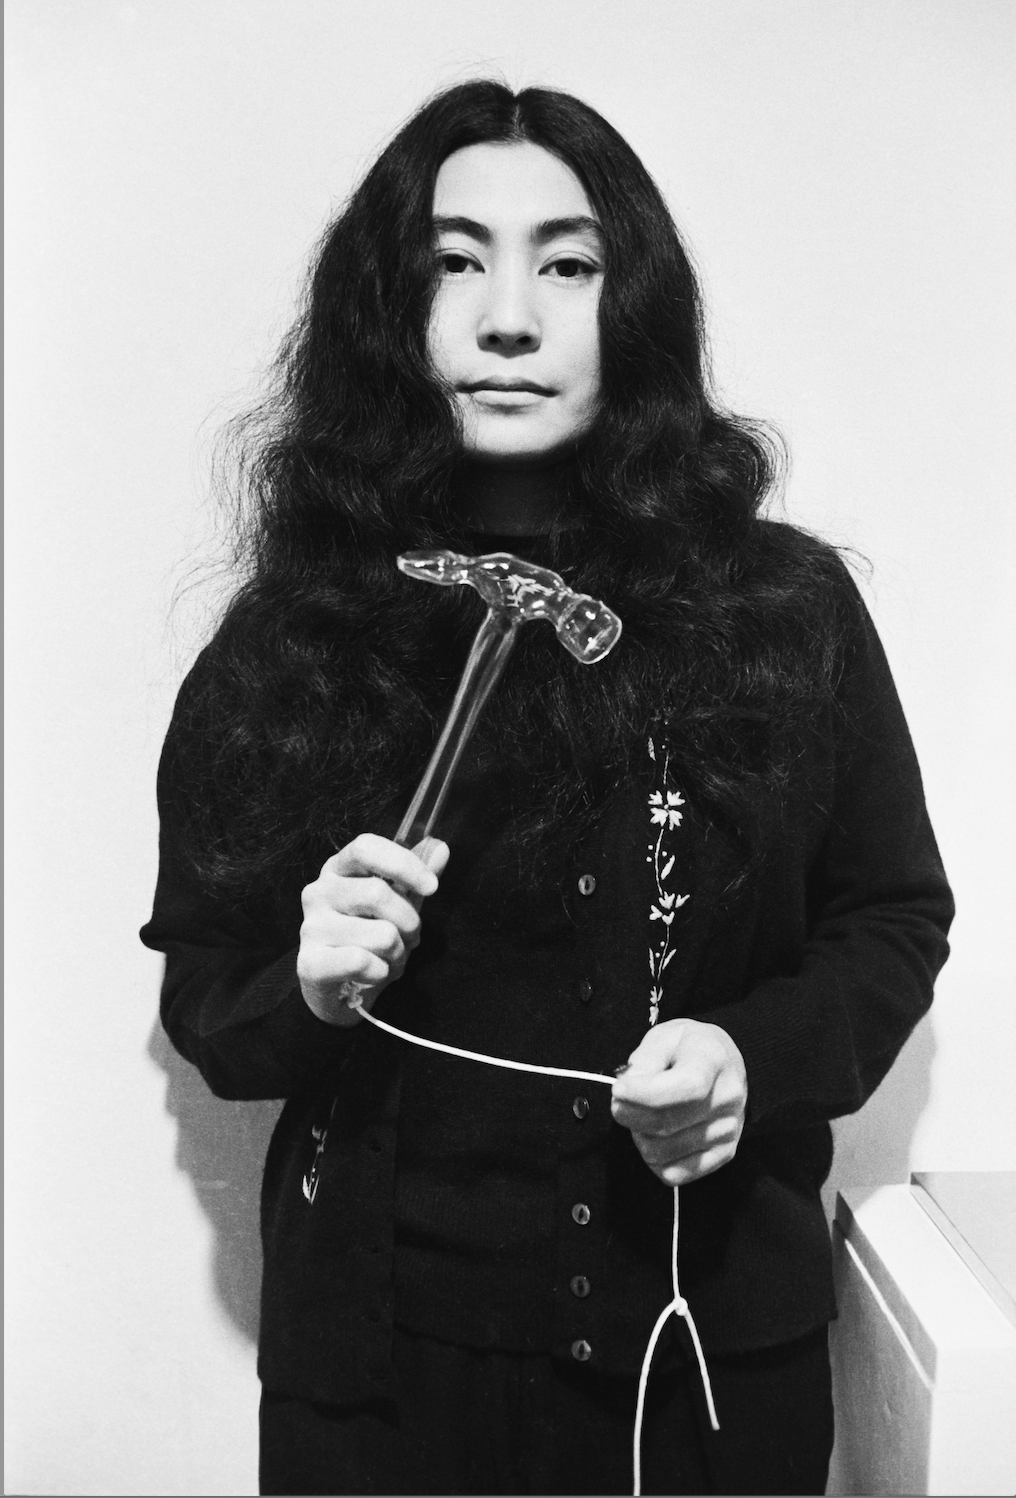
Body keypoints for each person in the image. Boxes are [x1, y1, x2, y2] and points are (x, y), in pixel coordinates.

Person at [141, 81, 953, 1497]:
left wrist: (750, 1059)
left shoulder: (782, 608)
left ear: (627, 304)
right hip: (381, 1383)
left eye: (566, 264)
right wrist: (305, 981)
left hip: (697, 1358)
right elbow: (209, 999)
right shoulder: (292, 635)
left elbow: (890, 918)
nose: (508, 315)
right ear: (389, 306)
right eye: (456, 261)